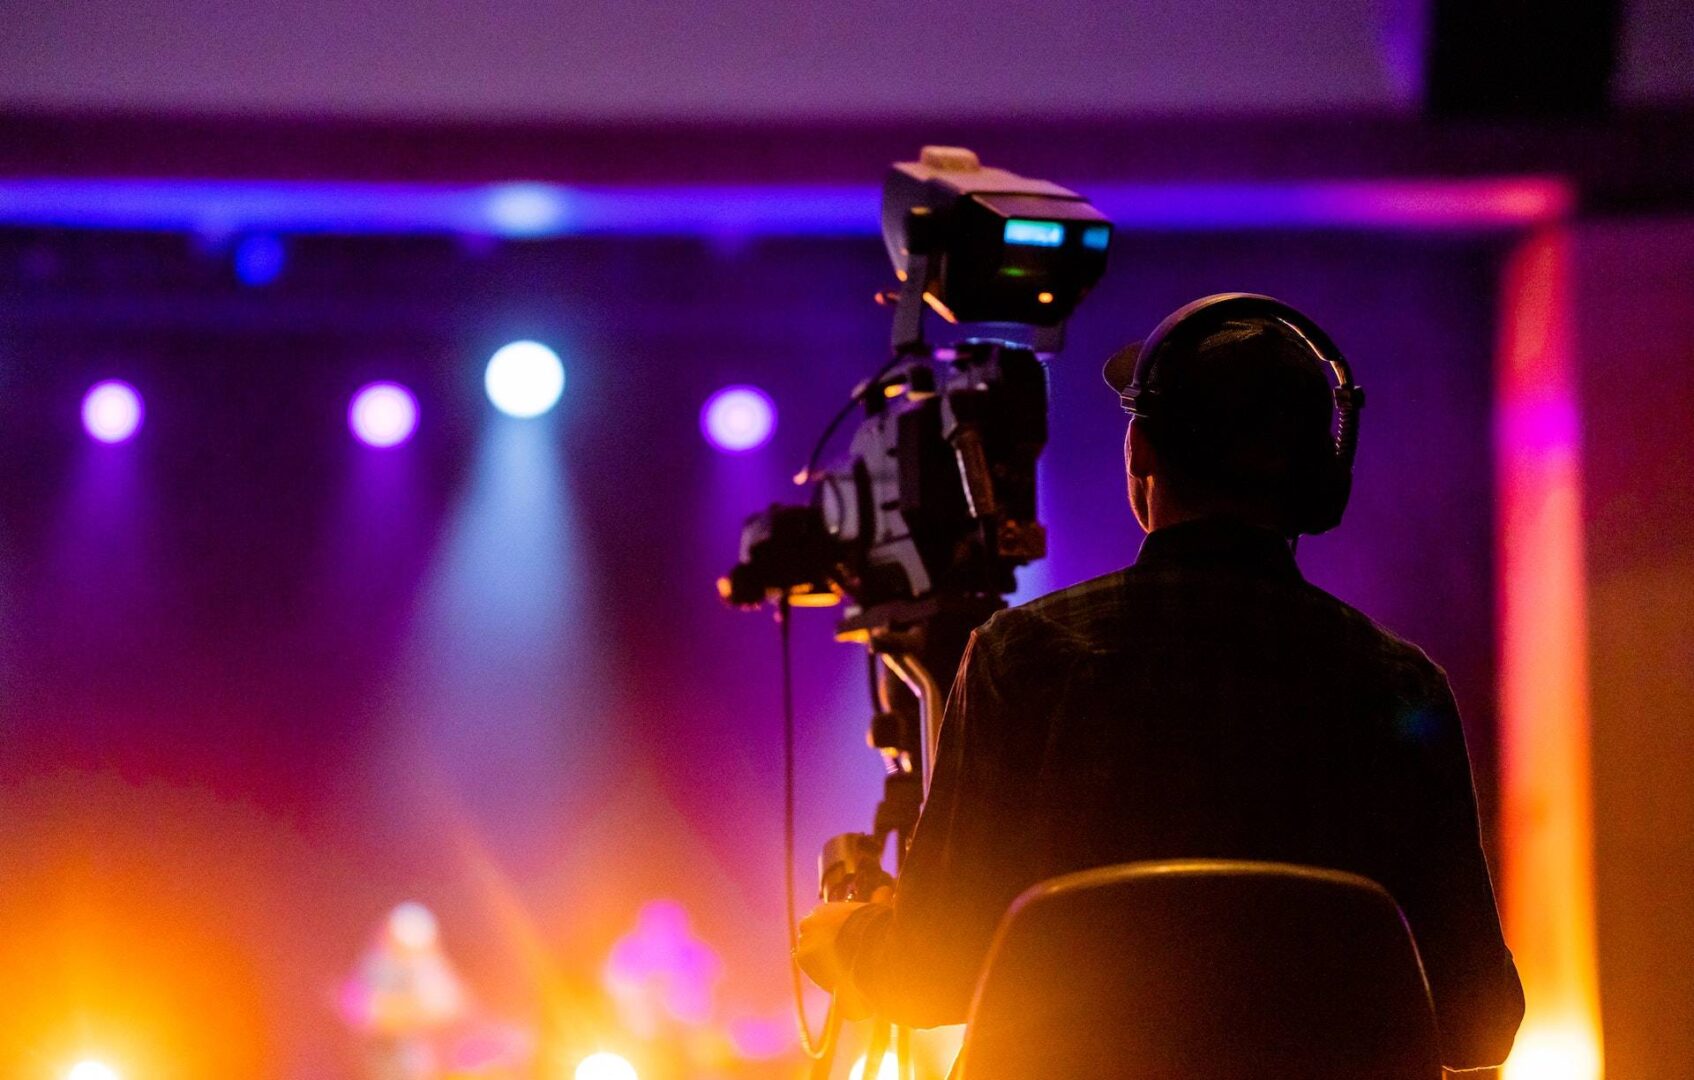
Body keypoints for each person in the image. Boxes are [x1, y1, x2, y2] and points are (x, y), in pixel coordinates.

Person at [796, 296, 1524, 1071]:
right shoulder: (1404, 689)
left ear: (1140, 453)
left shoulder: (1023, 660)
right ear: (1321, 475)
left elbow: (928, 976)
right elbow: (1477, 1022)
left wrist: (849, 940)